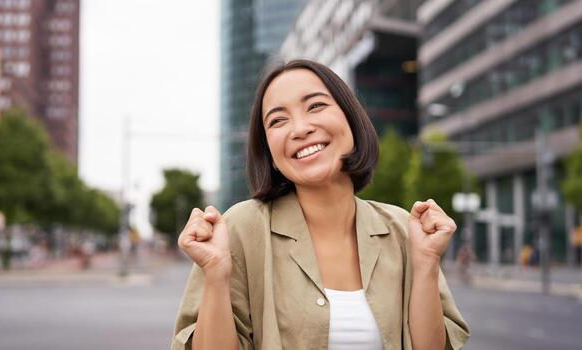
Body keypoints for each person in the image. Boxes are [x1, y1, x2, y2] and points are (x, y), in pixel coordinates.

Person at [172, 59, 469, 350]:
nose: (300, 129)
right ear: (270, 152)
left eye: (315, 106)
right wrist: (215, 274)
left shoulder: (402, 229)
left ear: (350, 119)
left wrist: (427, 264)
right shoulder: (242, 227)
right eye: (278, 120)